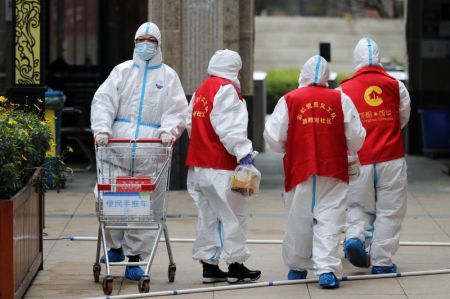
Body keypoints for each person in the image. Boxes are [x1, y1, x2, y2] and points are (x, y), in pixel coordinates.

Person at [90, 21, 188, 281]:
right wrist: (102, 129)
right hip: (115, 148)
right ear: (135, 42)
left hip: (150, 151)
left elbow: (178, 109)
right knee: (108, 199)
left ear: (158, 44)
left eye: (150, 40)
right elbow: (104, 101)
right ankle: (115, 247)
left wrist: (168, 131)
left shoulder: (168, 76)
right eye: (141, 40)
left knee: (141, 206)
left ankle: (135, 256)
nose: (145, 45)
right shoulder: (121, 71)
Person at [264, 55, 366, 288]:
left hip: (299, 169)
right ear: (326, 77)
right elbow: (357, 138)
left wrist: (288, 146)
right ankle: (327, 270)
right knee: (330, 221)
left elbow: (273, 138)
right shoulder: (341, 99)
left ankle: (297, 266)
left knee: (298, 220)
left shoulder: (289, 99)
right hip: (333, 171)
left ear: (303, 74)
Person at [185, 49, 261, 284]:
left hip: (199, 166)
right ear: (235, 70)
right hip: (221, 166)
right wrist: (244, 153)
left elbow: (190, 124)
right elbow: (230, 128)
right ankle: (236, 266)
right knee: (232, 216)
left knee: (209, 216)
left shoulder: (201, 90)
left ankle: (210, 266)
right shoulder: (227, 90)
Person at [340, 37, 411, 274]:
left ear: (356, 60)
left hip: (358, 159)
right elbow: (403, 117)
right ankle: (382, 262)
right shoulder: (395, 85)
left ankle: (354, 237)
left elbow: (341, 127)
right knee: (390, 210)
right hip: (392, 157)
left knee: (358, 206)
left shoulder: (343, 89)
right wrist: (386, 131)